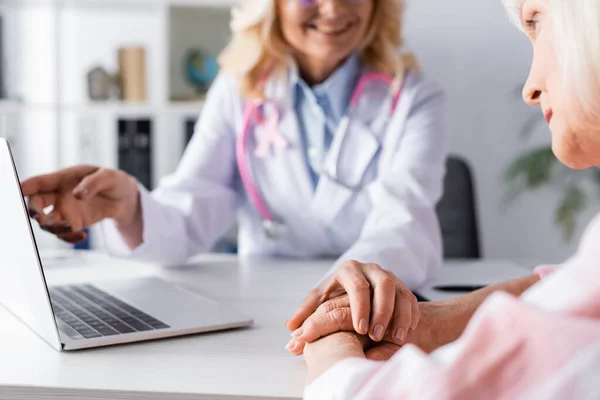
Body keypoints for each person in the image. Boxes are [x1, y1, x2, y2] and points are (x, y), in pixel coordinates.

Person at [21, 0, 447, 343]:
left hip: (360, 315)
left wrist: (361, 278)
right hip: (263, 311)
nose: (333, 8)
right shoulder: (238, 88)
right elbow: (192, 205)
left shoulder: (413, 97)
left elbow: (405, 218)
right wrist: (128, 206)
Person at [292, 0, 600, 398]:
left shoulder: (414, 93)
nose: (530, 89)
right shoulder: (238, 90)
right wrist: (428, 323)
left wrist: (331, 338)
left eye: (537, 21)